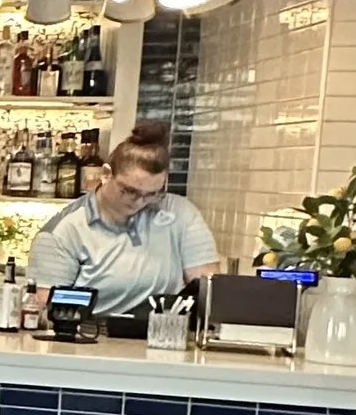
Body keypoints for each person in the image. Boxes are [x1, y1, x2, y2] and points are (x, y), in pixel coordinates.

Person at [28, 131, 219, 312]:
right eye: (130, 191)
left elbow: (207, 291)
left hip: (165, 329)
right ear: (106, 174)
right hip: (91, 331)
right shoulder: (64, 230)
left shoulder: (180, 212)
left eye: (152, 194)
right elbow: (48, 310)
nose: (140, 202)